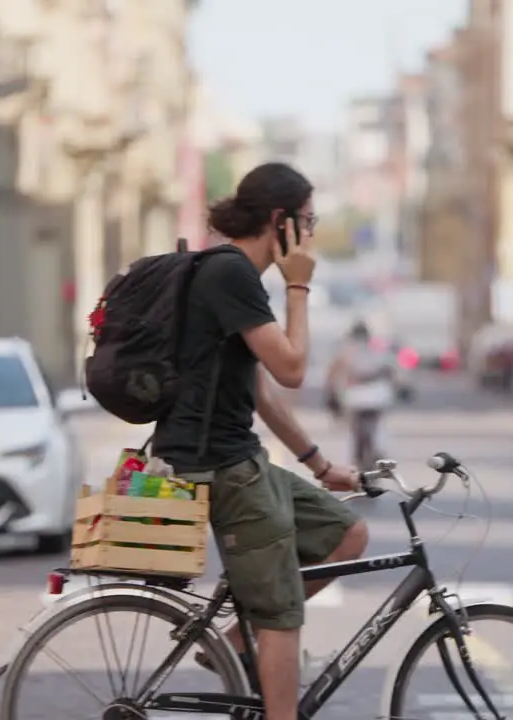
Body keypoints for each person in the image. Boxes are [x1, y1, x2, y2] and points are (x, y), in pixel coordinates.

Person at [151, 162, 370, 720]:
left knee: (347, 533)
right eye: (308, 221)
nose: (312, 233)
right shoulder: (230, 275)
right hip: (219, 466)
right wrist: (299, 284)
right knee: (280, 612)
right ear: (281, 221)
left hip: (235, 456)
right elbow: (294, 369)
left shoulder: (234, 279)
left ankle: (234, 641)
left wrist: (320, 466)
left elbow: (263, 392)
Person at [327, 320, 397, 468]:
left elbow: (333, 375)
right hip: (377, 394)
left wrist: (332, 396)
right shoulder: (378, 350)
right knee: (377, 424)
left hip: (355, 396)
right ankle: (378, 450)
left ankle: (361, 455)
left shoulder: (345, 351)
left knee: (355, 428)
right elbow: (392, 372)